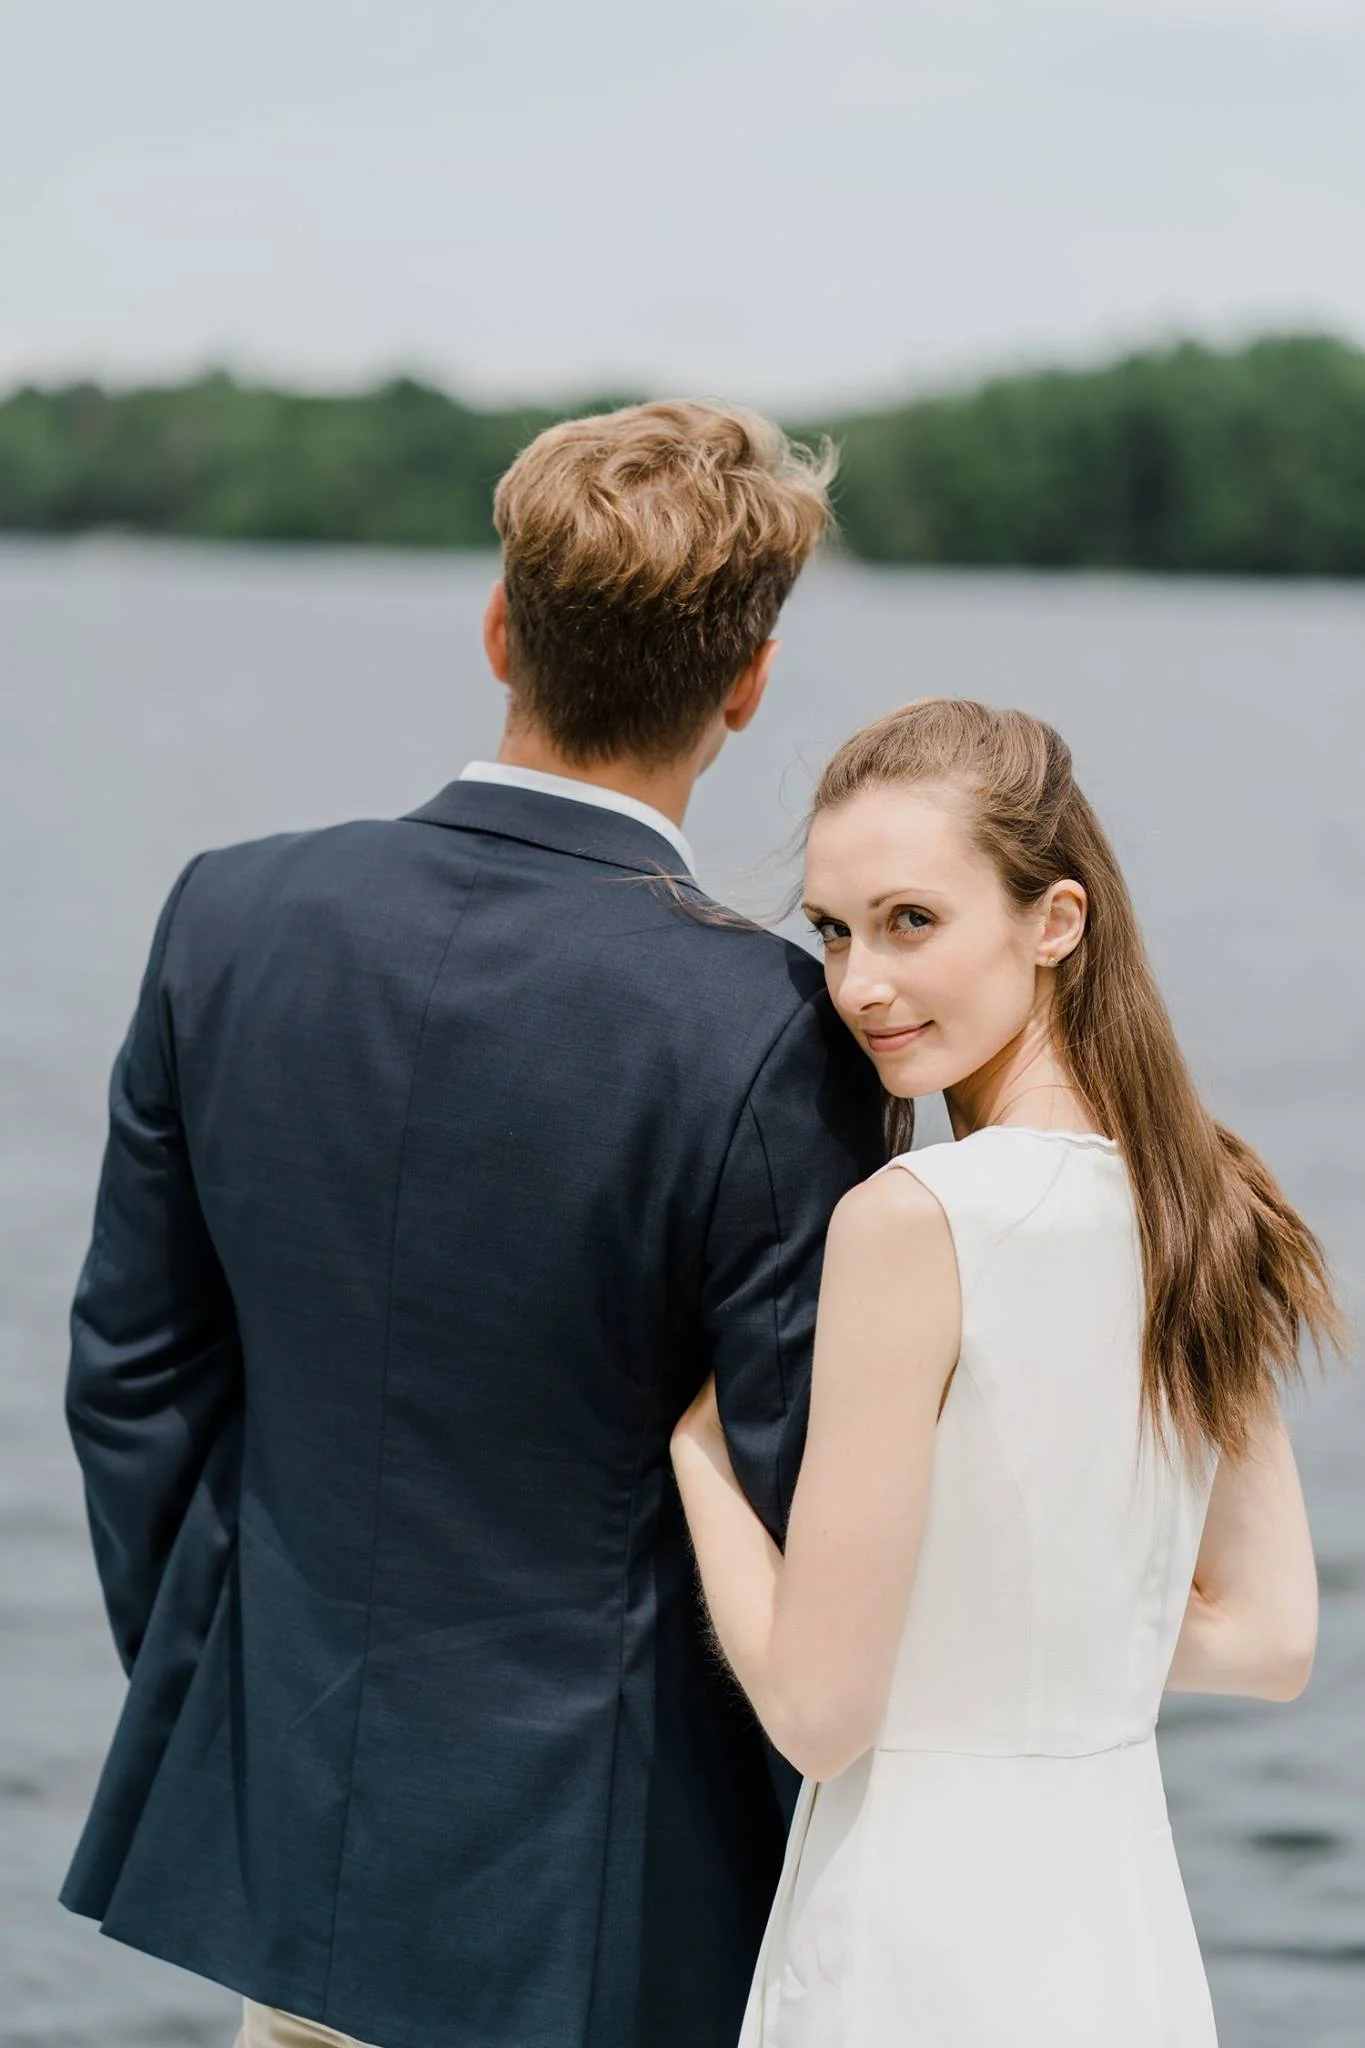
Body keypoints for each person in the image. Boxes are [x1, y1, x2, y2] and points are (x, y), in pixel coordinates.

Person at [60, 402, 887, 2048]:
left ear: (500, 625)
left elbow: (132, 1385)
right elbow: (802, 1499)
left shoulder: (231, 914)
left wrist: (249, 1704)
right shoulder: (779, 1033)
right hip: (602, 1901)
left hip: (291, 1844)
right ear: (750, 683)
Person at [672, 696, 1343, 2048]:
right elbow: (1271, 1642)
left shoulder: (917, 1221)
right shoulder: (1207, 1201)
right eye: (834, 931)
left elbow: (816, 1710)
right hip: (1119, 1936)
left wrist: (686, 1446)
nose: (859, 982)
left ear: (1055, 921)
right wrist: (1011, 1647)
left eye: (912, 921)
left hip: (917, 1940)